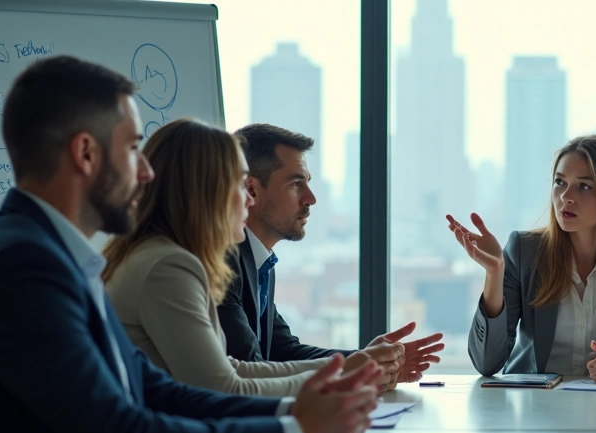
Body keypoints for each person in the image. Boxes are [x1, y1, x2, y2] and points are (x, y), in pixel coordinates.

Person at [0, 56, 382, 433]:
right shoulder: (21, 266)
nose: (147, 170)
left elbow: (154, 390)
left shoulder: (53, 255)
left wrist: (293, 414)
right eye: (133, 148)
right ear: (85, 154)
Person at [102, 119, 403, 396]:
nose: (248, 199)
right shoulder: (169, 267)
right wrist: (346, 375)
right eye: (239, 185)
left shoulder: (168, 257)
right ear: (208, 192)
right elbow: (225, 387)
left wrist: (354, 366)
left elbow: (235, 368)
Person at [219, 123, 443, 391]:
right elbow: (248, 367)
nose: (311, 198)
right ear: (252, 190)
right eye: (296, 184)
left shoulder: (260, 262)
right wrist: (356, 368)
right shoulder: (223, 262)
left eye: (308, 183)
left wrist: (366, 361)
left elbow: (283, 351)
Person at [449, 134, 596, 381]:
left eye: (584, 186)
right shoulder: (525, 251)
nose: (565, 197)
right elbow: (486, 363)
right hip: (533, 401)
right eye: (560, 182)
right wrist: (494, 273)